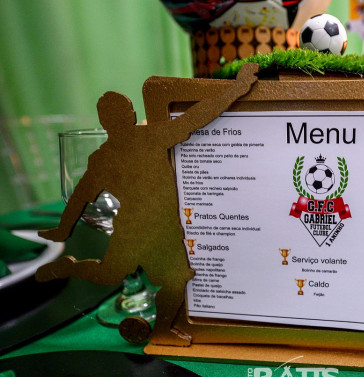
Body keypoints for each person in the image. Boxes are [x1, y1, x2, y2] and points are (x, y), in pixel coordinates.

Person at [36, 63, 259, 346]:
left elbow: (196, 118)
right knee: (111, 276)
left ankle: (164, 330)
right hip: (133, 230)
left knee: (175, 280)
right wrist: (237, 88)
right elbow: (80, 196)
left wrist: (238, 90)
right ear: (124, 117)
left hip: (163, 229)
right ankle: (70, 268)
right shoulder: (114, 154)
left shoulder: (143, 140)